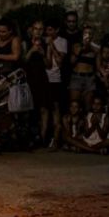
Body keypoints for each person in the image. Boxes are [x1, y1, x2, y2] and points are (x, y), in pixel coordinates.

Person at [43, 19, 67, 147]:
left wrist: (51, 45)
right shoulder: (42, 41)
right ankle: (44, 138)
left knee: (55, 109)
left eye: (51, 30)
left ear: (57, 30)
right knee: (45, 110)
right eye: (47, 30)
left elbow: (59, 61)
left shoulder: (62, 42)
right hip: (44, 79)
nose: (48, 32)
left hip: (55, 80)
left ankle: (56, 139)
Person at [69, 26, 99, 109]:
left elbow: (98, 62)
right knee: (74, 105)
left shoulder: (96, 48)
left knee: (88, 106)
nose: (88, 35)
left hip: (89, 78)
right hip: (77, 77)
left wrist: (89, 46)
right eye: (86, 33)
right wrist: (83, 47)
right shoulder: (76, 46)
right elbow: (72, 61)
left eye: (90, 33)